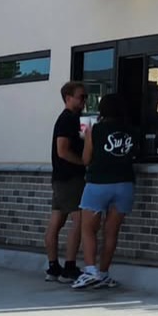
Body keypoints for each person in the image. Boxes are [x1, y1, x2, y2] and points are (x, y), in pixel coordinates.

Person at [71, 94, 139, 290]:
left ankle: (90, 271)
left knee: (88, 228)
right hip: (125, 183)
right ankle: (104, 273)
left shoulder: (96, 130)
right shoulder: (132, 131)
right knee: (111, 232)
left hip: (98, 183)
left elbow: (85, 159)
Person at [44, 80, 87, 282]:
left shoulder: (74, 119)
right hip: (70, 178)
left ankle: (53, 267)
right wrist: (83, 163)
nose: (84, 101)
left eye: (85, 97)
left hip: (61, 178)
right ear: (68, 98)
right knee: (79, 221)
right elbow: (62, 150)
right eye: (81, 97)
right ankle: (69, 267)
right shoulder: (67, 119)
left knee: (57, 220)